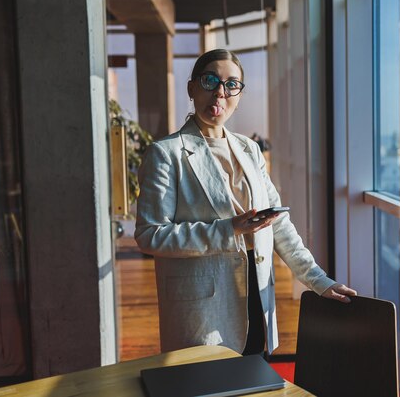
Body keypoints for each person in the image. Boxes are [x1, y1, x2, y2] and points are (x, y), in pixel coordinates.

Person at [135, 48, 356, 356]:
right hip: (204, 304)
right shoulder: (166, 153)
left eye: (231, 84)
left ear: (239, 94)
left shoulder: (248, 149)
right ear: (192, 87)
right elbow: (150, 234)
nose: (219, 93)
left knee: (252, 373)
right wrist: (229, 229)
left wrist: (319, 281)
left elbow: (279, 226)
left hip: (256, 288)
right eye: (210, 80)